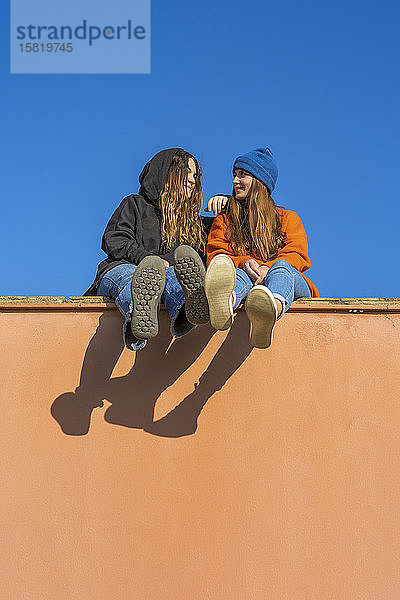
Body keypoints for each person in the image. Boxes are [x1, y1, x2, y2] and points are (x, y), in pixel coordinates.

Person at [85, 148, 220, 352]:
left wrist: (228, 203)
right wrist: (145, 258)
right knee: (131, 277)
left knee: (175, 276)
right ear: (166, 171)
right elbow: (114, 239)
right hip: (122, 268)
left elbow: (233, 231)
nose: (193, 180)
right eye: (186, 172)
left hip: (166, 276)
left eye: (196, 175)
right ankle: (138, 315)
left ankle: (187, 307)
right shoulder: (135, 205)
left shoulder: (196, 225)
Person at [204, 147, 319, 349]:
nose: (234, 181)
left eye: (242, 175)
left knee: (282, 266)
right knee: (237, 274)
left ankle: (269, 311)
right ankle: (225, 303)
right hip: (251, 286)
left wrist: (268, 268)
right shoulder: (224, 220)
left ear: (259, 181)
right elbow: (216, 256)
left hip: (288, 285)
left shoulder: (287, 218)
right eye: (234, 175)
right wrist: (243, 262)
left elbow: (297, 255)